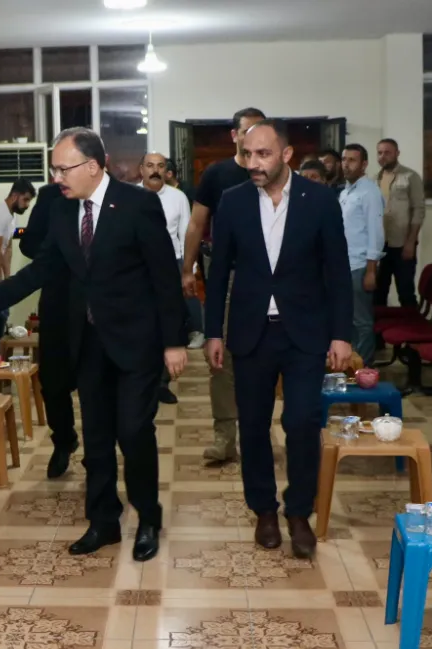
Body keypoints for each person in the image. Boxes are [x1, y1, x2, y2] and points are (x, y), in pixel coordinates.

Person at [0, 127, 188, 562]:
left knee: (133, 431)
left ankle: (147, 516)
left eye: (62, 169)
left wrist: (174, 342)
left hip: (136, 342)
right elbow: (41, 269)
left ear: (92, 166)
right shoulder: (63, 210)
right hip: (87, 343)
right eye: (54, 170)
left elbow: (165, 276)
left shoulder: (138, 204)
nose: (56, 178)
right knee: (98, 435)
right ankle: (103, 521)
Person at [203, 119, 353, 559]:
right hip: (251, 331)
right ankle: (265, 510)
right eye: (247, 154)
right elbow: (218, 272)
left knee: (302, 421)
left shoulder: (319, 200)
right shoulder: (232, 201)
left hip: (304, 331)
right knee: (252, 425)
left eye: (263, 154)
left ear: (286, 155)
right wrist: (212, 331)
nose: (253, 163)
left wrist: (341, 334)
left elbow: (337, 271)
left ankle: (299, 511)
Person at [181, 106, 265, 463]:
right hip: (226, 275)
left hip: (267, 279)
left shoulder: (273, 173)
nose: (253, 140)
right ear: (234, 135)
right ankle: (225, 435)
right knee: (222, 358)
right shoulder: (217, 174)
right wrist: (188, 269)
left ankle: (256, 434)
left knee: (262, 357)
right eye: (247, 132)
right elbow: (197, 223)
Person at [19, 181, 78, 478]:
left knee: (96, 381)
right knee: (53, 378)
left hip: (99, 303)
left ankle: (98, 450)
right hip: (57, 298)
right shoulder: (50, 196)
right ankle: (63, 439)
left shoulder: (114, 195)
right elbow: (27, 243)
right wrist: (55, 253)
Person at [140, 152, 198, 404]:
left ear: (167, 171)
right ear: (141, 169)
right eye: (150, 165)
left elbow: (187, 233)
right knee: (144, 324)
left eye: (160, 166)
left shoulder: (178, 197)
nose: (155, 170)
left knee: (169, 322)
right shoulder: (129, 195)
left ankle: (162, 383)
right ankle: (144, 381)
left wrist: (188, 270)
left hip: (171, 265)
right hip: (138, 267)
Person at [0, 177, 37, 347]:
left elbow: (7, 248)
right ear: (14, 196)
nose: (27, 205)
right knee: (0, 311)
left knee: (4, 306)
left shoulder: (11, 216)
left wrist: (8, 278)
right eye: (25, 200)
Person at [339, 144, 385, 367]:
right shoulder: (346, 192)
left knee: (362, 322)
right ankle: (352, 366)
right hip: (345, 265)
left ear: (364, 164)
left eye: (352, 160)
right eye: (344, 159)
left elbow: (376, 233)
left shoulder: (369, 192)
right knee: (348, 321)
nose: (346, 165)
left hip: (360, 266)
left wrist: (371, 270)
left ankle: (364, 368)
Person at [374, 138, 425, 308]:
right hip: (380, 245)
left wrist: (411, 242)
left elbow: (418, 210)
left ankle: (411, 324)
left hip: (402, 243)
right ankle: (382, 325)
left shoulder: (410, 177)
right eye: (380, 153)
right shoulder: (374, 179)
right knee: (378, 292)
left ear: (397, 153)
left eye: (387, 152)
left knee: (405, 291)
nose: (383, 156)